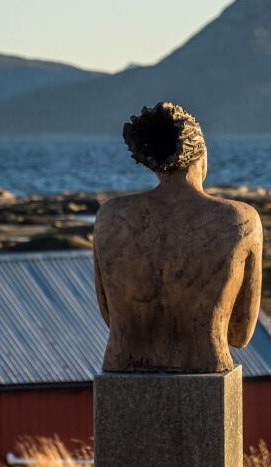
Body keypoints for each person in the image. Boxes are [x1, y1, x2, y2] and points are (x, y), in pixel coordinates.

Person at [93, 101, 262, 372]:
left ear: (153, 163)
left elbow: (111, 316)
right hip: (205, 366)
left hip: (122, 367)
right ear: (201, 154)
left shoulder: (110, 216)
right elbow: (239, 334)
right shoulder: (240, 219)